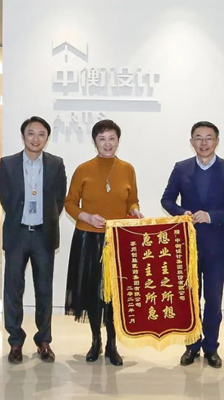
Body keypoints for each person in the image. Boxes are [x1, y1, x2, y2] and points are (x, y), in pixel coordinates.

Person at [161, 121, 224, 369]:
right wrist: (181, 212)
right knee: (190, 298)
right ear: (191, 142)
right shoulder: (181, 168)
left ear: (217, 141)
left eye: (209, 138)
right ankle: (191, 345)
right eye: (198, 138)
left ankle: (211, 348)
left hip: (217, 245)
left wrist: (211, 216)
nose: (204, 143)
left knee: (214, 298)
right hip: (187, 244)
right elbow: (167, 199)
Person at [65, 119, 143, 366]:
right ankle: (95, 340)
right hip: (89, 238)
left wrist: (135, 209)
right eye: (102, 139)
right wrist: (86, 216)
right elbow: (69, 203)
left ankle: (112, 344)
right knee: (93, 292)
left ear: (118, 141)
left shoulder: (127, 168)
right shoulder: (83, 169)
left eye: (112, 138)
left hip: (117, 239)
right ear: (95, 141)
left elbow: (132, 199)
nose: (107, 144)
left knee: (115, 294)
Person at [0, 116, 67, 364]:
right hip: (17, 234)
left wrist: (45, 220)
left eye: (41, 134)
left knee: (44, 289)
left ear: (47, 138)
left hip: (43, 235)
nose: (35, 139)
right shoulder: (7, 164)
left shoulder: (56, 164)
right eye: (31, 133)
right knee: (13, 289)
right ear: (23, 136)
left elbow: (59, 199)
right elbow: (5, 197)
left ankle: (44, 341)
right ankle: (15, 342)